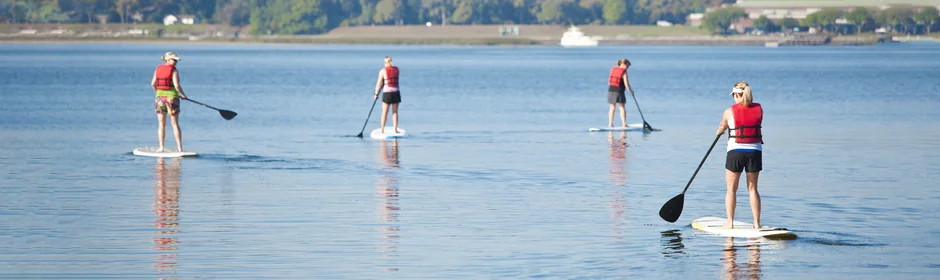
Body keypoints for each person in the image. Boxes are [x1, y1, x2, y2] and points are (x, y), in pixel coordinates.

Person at [716, 81, 763, 229]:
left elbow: (722, 127)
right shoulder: (759, 109)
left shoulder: (729, 112)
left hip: (735, 152)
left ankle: (730, 222)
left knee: (731, 189)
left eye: (734, 95)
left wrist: (719, 131)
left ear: (737, 95)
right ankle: (756, 223)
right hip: (754, 152)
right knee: (753, 189)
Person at [150, 52, 187, 152]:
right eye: (173, 60)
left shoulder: (158, 69)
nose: (175, 62)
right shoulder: (174, 70)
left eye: (176, 60)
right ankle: (179, 148)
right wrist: (183, 95)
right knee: (174, 124)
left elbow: (153, 84)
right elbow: (177, 86)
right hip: (172, 99)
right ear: (167, 60)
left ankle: (161, 147)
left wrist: (159, 93)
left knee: (161, 124)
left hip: (160, 99)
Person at [374, 56, 401, 133]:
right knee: (395, 112)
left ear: (385, 63)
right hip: (396, 92)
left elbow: (379, 83)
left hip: (387, 93)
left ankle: (382, 130)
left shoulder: (382, 71)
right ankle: (395, 130)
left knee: (384, 112)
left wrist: (376, 94)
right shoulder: (397, 69)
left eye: (384, 62)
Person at [607, 59, 635, 127]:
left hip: (611, 89)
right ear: (623, 64)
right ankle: (624, 124)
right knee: (622, 107)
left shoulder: (613, 69)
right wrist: (631, 91)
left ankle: (610, 124)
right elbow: (626, 84)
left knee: (612, 107)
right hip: (619, 90)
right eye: (627, 66)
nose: (627, 68)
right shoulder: (624, 72)